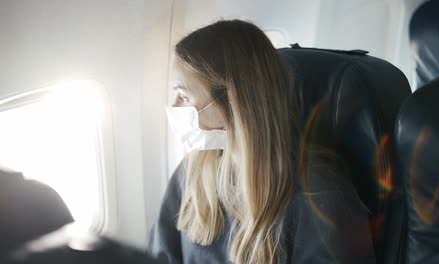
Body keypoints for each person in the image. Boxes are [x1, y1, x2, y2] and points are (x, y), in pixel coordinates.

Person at [148, 19, 375, 264]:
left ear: (234, 101)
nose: (174, 107)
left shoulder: (318, 193)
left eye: (183, 96)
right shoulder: (193, 170)